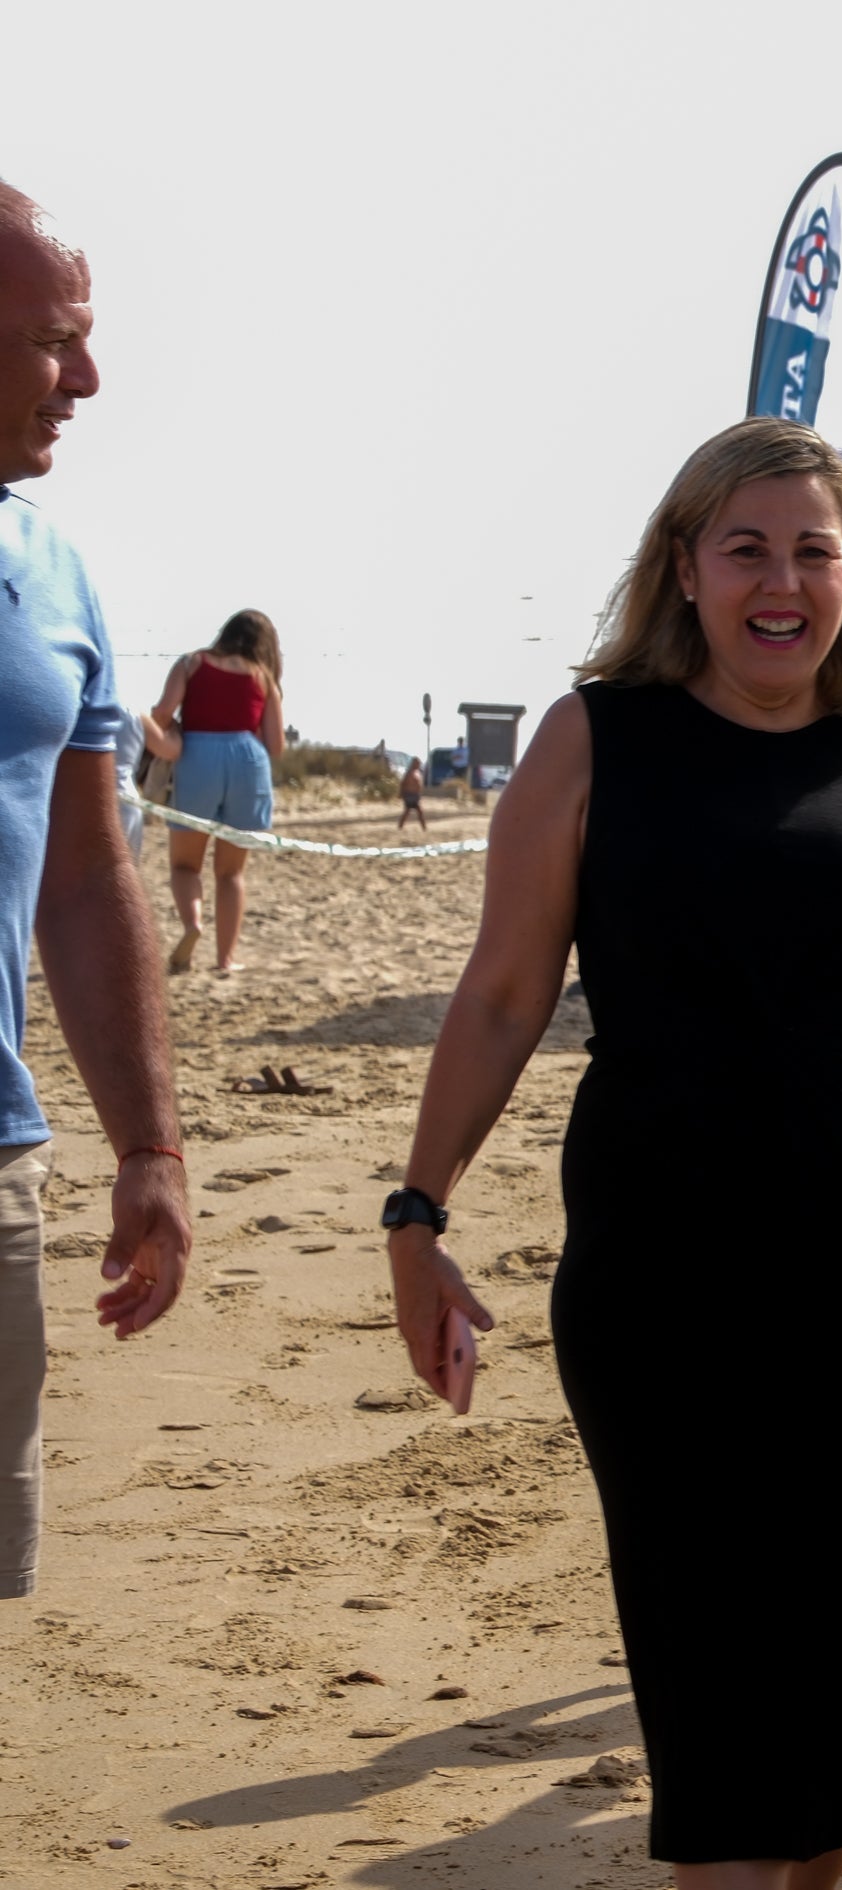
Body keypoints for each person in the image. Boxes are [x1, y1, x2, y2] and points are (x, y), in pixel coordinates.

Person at [382, 418, 842, 1890]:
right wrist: (417, 1210)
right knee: (719, 1724)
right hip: (666, 1296)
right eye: (745, 547)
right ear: (683, 565)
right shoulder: (595, 738)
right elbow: (503, 992)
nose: (781, 581)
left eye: (813, 549)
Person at [0, 175, 192, 1604]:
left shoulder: (55, 569)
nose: (90, 376)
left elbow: (85, 873)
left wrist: (149, 1146)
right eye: (57, 339)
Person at [142, 609, 286, 974]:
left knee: (185, 864)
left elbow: (162, 711)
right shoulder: (264, 678)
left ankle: (192, 924)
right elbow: (276, 745)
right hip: (248, 762)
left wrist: (174, 726)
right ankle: (225, 959)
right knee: (231, 873)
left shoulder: (192, 663)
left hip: (199, 757)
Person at [396, 754, 427, 832]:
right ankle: (400, 827)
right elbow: (403, 783)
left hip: (415, 795)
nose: (418, 764)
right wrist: (401, 793)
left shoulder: (417, 772)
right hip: (409, 795)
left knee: (415, 812)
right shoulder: (409, 772)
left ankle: (424, 828)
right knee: (410, 811)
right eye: (417, 763)